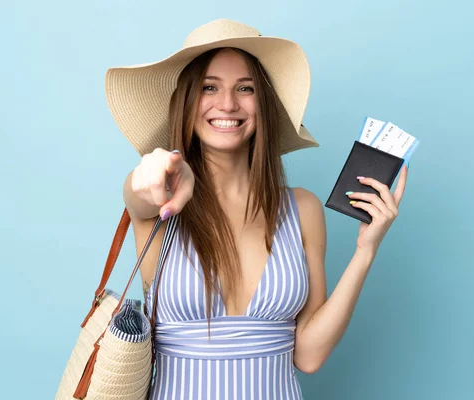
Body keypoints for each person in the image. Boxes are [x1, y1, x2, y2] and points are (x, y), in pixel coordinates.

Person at [105, 19, 408, 400]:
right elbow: (136, 192)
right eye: (209, 87)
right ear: (186, 102)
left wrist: (366, 250)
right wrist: (153, 173)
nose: (228, 103)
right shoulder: (160, 199)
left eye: (244, 88)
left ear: (262, 105)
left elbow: (310, 356)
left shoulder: (303, 208)